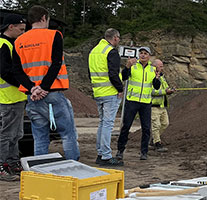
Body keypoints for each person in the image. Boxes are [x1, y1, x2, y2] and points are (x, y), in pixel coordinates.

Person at [12, 5, 80, 161]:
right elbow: (55, 64)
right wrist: (43, 88)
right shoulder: (54, 36)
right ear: (43, 18)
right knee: (68, 134)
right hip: (51, 93)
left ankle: (40, 170)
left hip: (32, 97)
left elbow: (17, 71)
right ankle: (74, 167)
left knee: (40, 136)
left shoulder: (19, 41)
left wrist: (33, 89)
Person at [116, 47, 161, 161]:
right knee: (126, 127)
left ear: (149, 56)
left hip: (145, 103)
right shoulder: (133, 66)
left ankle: (144, 152)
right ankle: (120, 151)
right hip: (132, 101)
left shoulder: (152, 69)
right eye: (141, 53)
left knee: (146, 128)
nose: (143, 55)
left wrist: (157, 78)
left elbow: (156, 86)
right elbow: (124, 77)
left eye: (145, 53)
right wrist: (127, 66)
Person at [88, 28, 124, 166]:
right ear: (115, 38)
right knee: (108, 124)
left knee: (103, 123)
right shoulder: (111, 52)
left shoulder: (94, 51)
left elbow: (89, 73)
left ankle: (101, 153)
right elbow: (113, 73)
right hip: (110, 92)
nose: (118, 41)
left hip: (98, 92)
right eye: (118, 38)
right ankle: (106, 156)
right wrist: (120, 88)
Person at [0, 14, 27, 181]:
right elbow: (5, 72)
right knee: (7, 134)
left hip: (16, 96)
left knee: (17, 134)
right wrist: (23, 84)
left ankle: (12, 162)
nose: (23, 33)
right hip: (8, 97)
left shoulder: (11, 43)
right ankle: (2, 165)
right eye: (21, 29)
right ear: (11, 26)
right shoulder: (3, 45)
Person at [151, 59, 175, 152]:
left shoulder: (161, 77)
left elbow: (166, 87)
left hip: (162, 105)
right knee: (156, 125)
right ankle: (157, 143)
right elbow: (152, 91)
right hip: (154, 105)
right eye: (160, 66)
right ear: (155, 66)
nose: (162, 68)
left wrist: (170, 90)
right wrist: (165, 92)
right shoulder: (151, 76)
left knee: (165, 124)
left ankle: (154, 139)